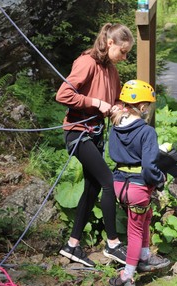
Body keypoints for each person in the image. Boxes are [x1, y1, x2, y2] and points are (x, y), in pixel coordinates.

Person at [55, 23, 134, 267]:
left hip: (96, 133)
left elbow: (116, 97)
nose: (125, 57)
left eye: (127, 53)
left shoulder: (110, 68)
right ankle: (113, 245)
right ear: (110, 43)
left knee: (92, 189)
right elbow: (63, 95)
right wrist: (95, 103)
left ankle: (72, 245)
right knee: (108, 182)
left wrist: (121, 107)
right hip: (79, 133)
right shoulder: (87, 62)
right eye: (123, 51)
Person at [108, 80, 171, 286]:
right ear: (142, 106)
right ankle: (128, 276)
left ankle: (144, 256)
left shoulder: (115, 126)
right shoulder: (147, 132)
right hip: (137, 188)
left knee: (146, 215)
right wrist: (160, 179)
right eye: (149, 106)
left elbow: (113, 155)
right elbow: (148, 167)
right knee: (134, 230)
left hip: (119, 184)